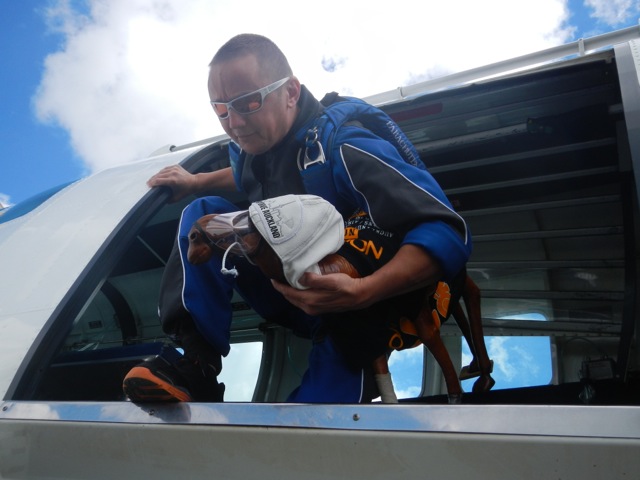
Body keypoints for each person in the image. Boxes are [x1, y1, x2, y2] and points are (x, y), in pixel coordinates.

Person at [122, 33, 471, 403]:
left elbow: (447, 231)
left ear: (290, 92)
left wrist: (364, 292)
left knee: (314, 423)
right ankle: (198, 365)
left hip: (354, 304)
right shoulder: (253, 148)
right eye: (221, 109)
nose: (235, 123)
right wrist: (195, 182)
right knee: (204, 213)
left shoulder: (346, 147)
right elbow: (243, 176)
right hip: (287, 285)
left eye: (248, 102)